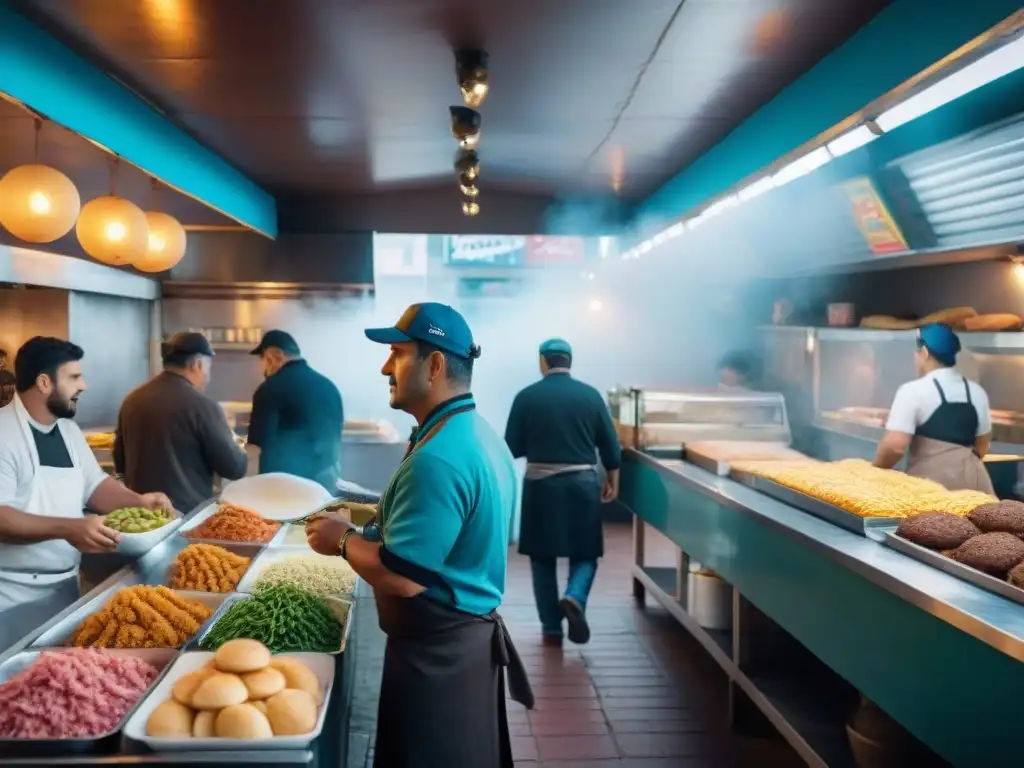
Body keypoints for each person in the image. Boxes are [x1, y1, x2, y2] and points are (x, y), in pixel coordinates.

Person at [305, 302, 532, 768]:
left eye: (396, 353)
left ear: (434, 364)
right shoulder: (475, 433)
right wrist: (373, 517)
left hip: (441, 659)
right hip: (458, 650)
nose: (386, 367)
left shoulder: (440, 457)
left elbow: (404, 577)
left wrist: (341, 539)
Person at [0, 337, 171, 650]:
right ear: (44, 382)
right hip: (10, 593)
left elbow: (94, 485)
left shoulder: (67, 431)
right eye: (74, 377)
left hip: (64, 585)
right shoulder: (3, 433)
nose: (84, 385)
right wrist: (70, 527)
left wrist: (140, 500)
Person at [505, 338, 621, 646]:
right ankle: (574, 595)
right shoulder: (590, 396)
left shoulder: (526, 397)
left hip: (541, 487)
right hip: (582, 485)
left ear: (543, 361)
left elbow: (512, 446)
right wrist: (612, 479)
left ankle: (552, 628)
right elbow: (610, 444)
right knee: (586, 552)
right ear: (569, 361)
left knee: (542, 559)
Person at [115, 332, 247, 513]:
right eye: (209, 367)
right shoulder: (203, 406)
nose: (208, 375)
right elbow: (234, 468)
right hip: (187, 514)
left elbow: (119, 460)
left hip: (142, 515)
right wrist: (238, 446)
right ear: (197, 364)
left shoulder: (132, 400)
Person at [873, 323, 994, 493]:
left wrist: (874, 471)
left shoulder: (912, 390)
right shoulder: (976, 392)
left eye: (917, 352)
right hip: (974, 486)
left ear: (925, 353)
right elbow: (982, 446)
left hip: (931, 485)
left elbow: (895, 446)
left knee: (932, 521)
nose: (915, 357)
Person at [247, 330, 343, 493]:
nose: (263, 367)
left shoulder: (270, 389)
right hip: (325, 486)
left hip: (283, 490)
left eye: (263, 359)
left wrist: (247, 490)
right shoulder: (329, 387)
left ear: (274, 355)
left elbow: (255, 450)